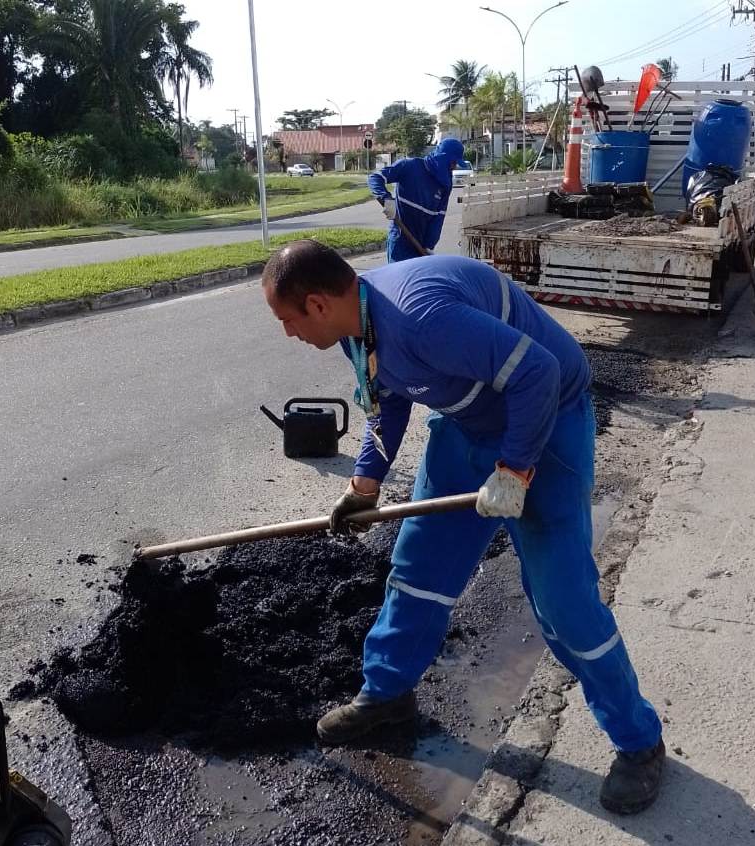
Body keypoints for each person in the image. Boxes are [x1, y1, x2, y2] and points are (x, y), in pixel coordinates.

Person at [262, 240, 666, 816]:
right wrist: (364, 486)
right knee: (419, 568)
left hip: (544, 424)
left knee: (563, 602)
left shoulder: (421, 317)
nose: (288, 334)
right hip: (467, 425)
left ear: (319, 303)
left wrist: (515, 469)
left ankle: (640, 742)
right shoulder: (360, 325)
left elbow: (539, 372)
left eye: (288, 319)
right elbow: (386, 399)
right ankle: (387, 694)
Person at [368, 138, 464, 263]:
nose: (454, 167)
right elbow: (375, 178)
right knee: (399, 280)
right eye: (453, 162)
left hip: (421, 247)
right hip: (400, 241)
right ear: (443, 158)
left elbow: (438, 218)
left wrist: (429, 245)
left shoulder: (445, 184)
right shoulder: (410, 166)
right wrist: (386, 199)